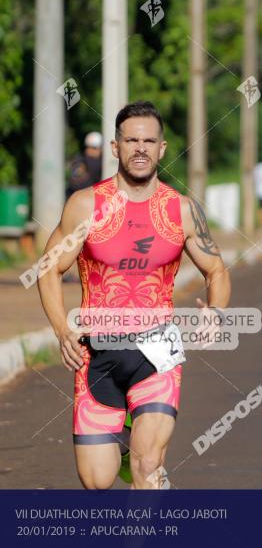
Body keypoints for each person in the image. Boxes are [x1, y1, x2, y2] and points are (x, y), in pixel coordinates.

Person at [36, 101, 230, 489]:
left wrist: (217, 311)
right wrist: (61, 330)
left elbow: (217, 270)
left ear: (162, 148)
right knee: (97, 480)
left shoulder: (182, 210)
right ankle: (122, 443)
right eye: (131, 140)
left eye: (148, 140)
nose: (140, 148)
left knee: (148, 466)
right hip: (97, 353)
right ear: (115, 147)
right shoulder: (87, 205)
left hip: (157, 354)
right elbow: (49, 269)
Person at [67, 132, 104, 198]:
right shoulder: (80, 161)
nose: (90, 150)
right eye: (91, 148)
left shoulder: (102, 161)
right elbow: (77, 184)